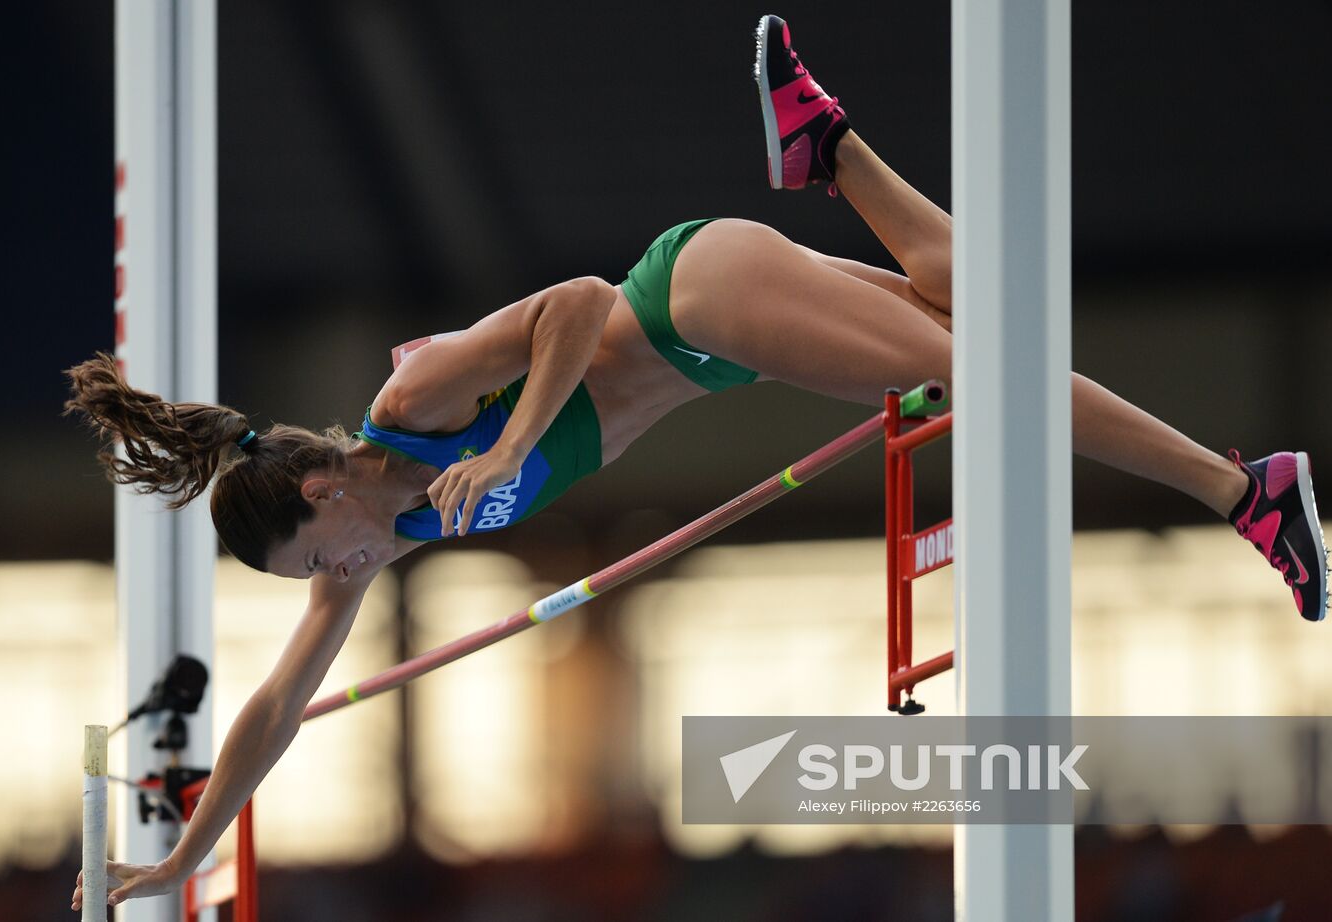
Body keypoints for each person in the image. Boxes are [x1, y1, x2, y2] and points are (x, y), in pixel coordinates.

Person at [67, 14, 1326, 910]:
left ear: (321, 485)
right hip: (717, 342)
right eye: (315, 576)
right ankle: (820, 147)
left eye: (311, 554)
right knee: (983, 314)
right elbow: (277, 709)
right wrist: (186, 855)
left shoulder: (413, 400)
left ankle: (1241, 491)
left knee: (994, 374)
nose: (332, 574)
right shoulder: (380, 546)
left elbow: (570, 299)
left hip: (693, 298)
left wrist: (505, 439)